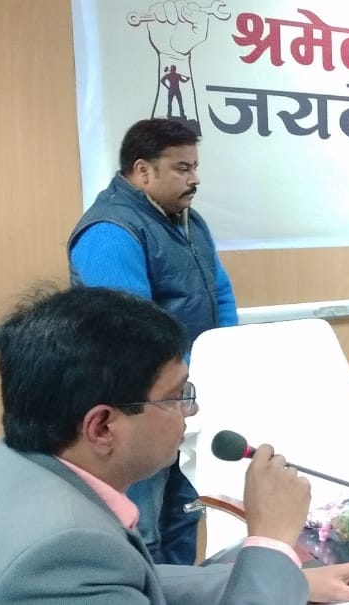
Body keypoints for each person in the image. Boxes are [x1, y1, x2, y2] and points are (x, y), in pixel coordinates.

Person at [0, 287, 349, 604]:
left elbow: (128, 577)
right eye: (177, 396)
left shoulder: (14, 463)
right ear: (102, 427)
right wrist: (272, 541)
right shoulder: (58, 551)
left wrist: (288, 579)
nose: (190, 412)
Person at [69, 118, 236, 564]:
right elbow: (135, 332)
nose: (195, 179)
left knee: (184, 513)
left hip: (184, 398)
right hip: (136, 406)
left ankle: (180, 594)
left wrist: (223, 360)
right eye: (182, 168)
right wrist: (188, 378)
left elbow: (220, 292)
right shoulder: (110, 230)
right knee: (143, 530)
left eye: (195, 167)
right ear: (143, 170)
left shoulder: (188, 222)